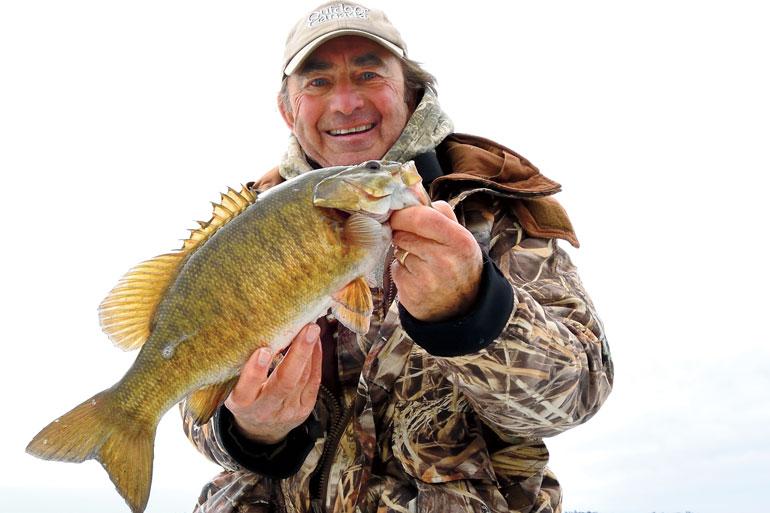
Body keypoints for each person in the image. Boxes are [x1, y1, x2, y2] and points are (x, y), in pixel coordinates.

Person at [181, 3, 613, 512]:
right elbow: (191, 398)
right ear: (288, 109)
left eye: (368, 73)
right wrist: (250, 430)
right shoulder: (246, 223)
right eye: (317, 83)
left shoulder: (496, 207)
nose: (345, 102)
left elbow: (574, 397)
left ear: (410, 91)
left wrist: (473, 310)